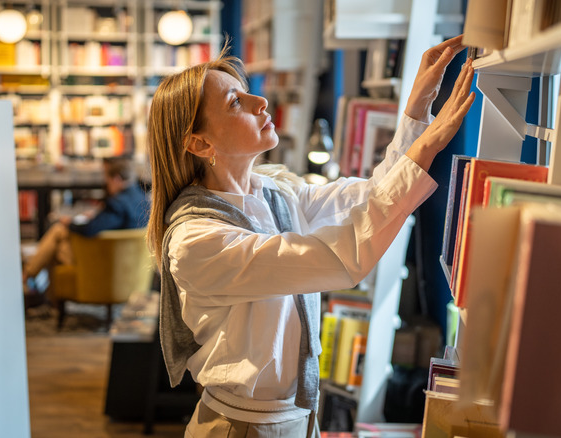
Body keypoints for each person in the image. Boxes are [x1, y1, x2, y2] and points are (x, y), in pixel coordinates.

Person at [147, 35, 474, 437]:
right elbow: (340, 257)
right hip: (243, 427)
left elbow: (370, 197)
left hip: (299, 420)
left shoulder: (276, 192)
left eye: (248, 93)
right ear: (200, 143)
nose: (260, 103)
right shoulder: (196, 240)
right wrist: (426, 148)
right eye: (236, 102)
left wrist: (417, 110)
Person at [22, 156, 151, 286]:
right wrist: (98, 213)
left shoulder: (117, 204)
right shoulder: (142, 197)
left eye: (107, 181)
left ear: (116, 179)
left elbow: (89, 229)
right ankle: (32, 280)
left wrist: (69, 223)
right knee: (56, 243)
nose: (106, 185)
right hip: (132, 265)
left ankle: (27, 277)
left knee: (57, 236)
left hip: (106, 263)